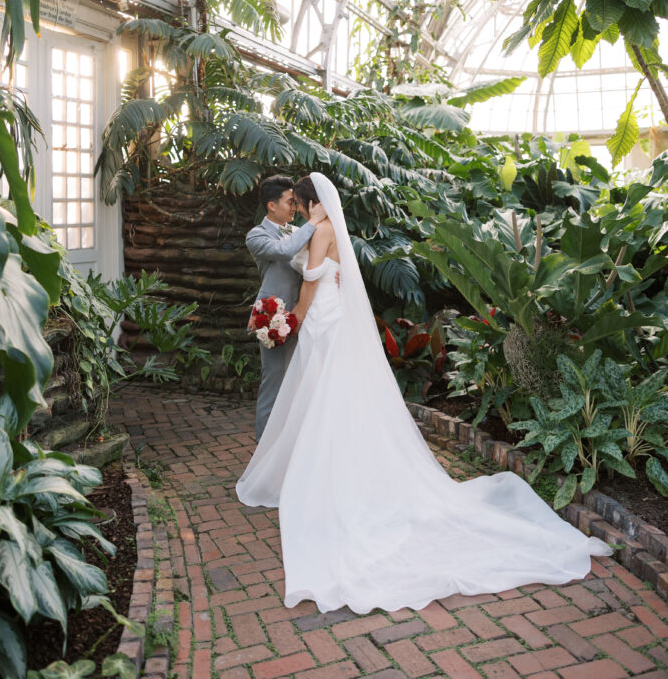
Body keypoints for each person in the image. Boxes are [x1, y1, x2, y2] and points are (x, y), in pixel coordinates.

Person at [237, 171, 612, 615]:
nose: (295, 208)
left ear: (305, 201)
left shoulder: (318, 230)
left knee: (323, 398)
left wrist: (291, 321)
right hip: (332, 319)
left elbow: (312, 282)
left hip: (320, 319)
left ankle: (331, 478)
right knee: (332, 398)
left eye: (298, 202)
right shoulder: (332, 228)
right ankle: (343, 466)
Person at [245, 175, 326, 441]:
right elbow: (284, 251)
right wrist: (313, 221)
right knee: (274, 379)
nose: (295, 207)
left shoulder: (295, 231)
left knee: (298, 379)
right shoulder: (256, 235)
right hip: (273, 318)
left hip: (304, 314)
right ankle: (263, 445)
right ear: (271, 205)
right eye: (290, 202)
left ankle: (289, 443)